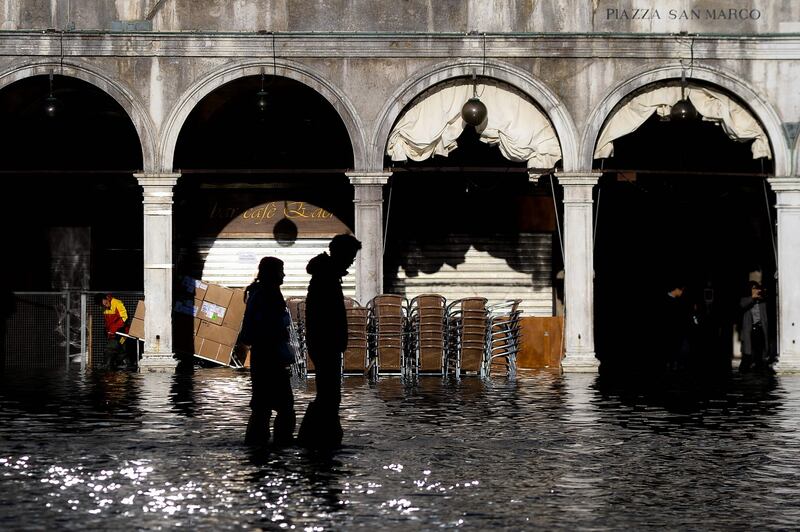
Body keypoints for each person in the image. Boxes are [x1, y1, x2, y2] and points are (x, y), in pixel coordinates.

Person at [297, 233, 362, 449]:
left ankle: (321, 435)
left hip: (326, 344)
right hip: (326, 344)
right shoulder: (325, 277)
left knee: (328, 394)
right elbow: (324, 315)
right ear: (340, 253)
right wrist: (333, 341)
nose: (352, 262)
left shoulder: (327, 275)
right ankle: (318, 436)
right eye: (351, 256)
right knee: (329, 395)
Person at [238, 256, 296, 446]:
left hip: (264, 358)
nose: (284, 275)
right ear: (272, 273)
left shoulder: (260, 294)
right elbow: (266, 328)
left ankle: (258, 445)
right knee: (283, 406)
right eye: (281, 271)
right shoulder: (266, 296)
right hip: (269, 358)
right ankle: (280, 443)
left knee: (263, 406)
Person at [739, 280, 772, 372]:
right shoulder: (745, 299)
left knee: (759, 355)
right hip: (749, 331)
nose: (755, 290)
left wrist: (763, 294)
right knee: (747, 355)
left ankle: (758, 373)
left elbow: (769, 302)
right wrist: (752, 298)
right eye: (753, 288)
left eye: (756, 288)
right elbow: (742, 305)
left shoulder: (762, 301)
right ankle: (744, 372)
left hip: (760, 330)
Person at [95, 293, 130, 369]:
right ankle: (125, 364)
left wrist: (117, 329)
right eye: (102, 305)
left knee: (111, 347)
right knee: (120, 349)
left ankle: (107, 364)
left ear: (107, 298)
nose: (105, 306)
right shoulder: (104, 308)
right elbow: (108, 322)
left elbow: (125, 317)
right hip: (113, 333)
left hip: (122, 332)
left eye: (105, 303)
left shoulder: (117, 303)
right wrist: (106, 329)